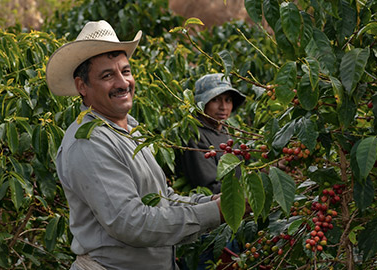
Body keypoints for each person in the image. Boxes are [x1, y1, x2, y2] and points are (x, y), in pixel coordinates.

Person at [46, 20, 224, 270]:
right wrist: (214, 212)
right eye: (107, 75)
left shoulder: (131, 127)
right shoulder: (89, 142)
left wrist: (212, 204)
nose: (122, 83)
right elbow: (131, 223)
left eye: (125, 71)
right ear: (81, 86)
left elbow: (160, 199)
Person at [176, 73, 246, 194]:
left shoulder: (228, 131)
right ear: (202, 104)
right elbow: (211, 187)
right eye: (215, 99)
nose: (223, 107)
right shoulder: (194, 135)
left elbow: (246, 168)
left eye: (228, 100)